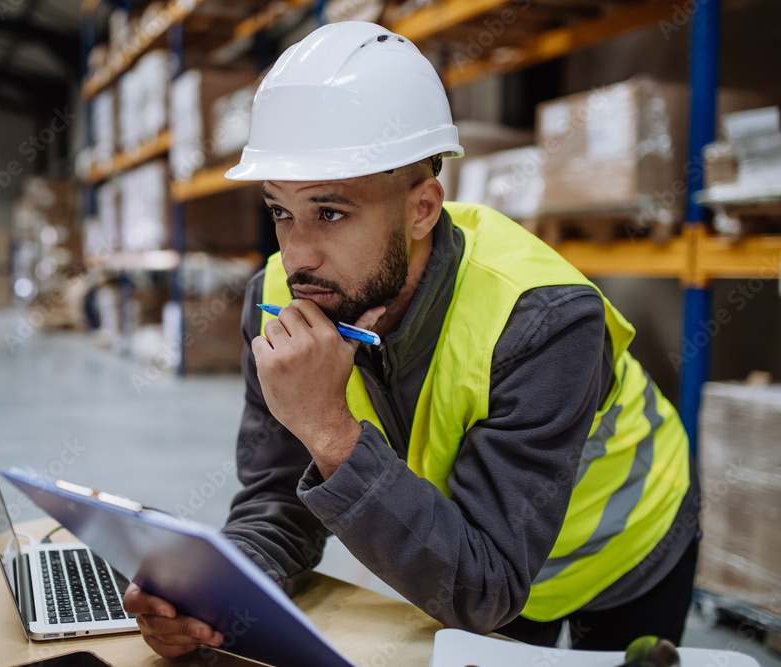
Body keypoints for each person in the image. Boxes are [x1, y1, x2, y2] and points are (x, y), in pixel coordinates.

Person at [123, 20, 700, 657]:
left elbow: (487, 585)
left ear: (422, 208)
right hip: (473, 558)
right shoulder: (275, 301)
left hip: (620, 550)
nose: (297, 256)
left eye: (331, 212)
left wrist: (330, 431)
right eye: (281, 212)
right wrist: (216, 596)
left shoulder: (540, 320)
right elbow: (276, 503)